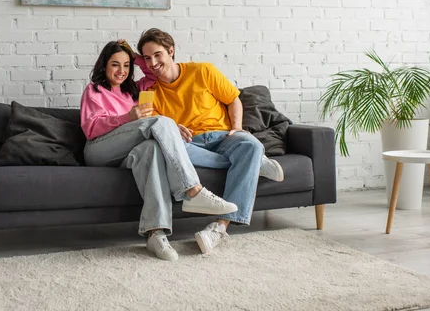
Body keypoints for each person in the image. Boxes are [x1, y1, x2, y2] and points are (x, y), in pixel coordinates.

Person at [80, 40, 238, 261]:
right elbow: (90, 129)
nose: (121, 71)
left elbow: (154, 72)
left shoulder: (134, 91)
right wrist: (128, 118)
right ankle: (192, 190)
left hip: (128, 153)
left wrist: (133, 55)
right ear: (103, 66)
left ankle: (156, 233)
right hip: (99, 150)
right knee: (160, 121)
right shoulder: (95, 90)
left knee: (152, 150)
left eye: (126, 66)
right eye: (115, 64)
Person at [137, 28, 284, 254]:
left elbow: (233, 99)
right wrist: (174, 129)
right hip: (188, 146)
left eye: (157, 55)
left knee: (250, 145)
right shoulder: (150, 91)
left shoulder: (202, 71)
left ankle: (219, 227)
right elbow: (156, 127)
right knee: (166, 148)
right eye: (147, 58)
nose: (153, 62)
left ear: (170, 51)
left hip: (223, 137)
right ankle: (254, 163)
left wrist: (236, 128)